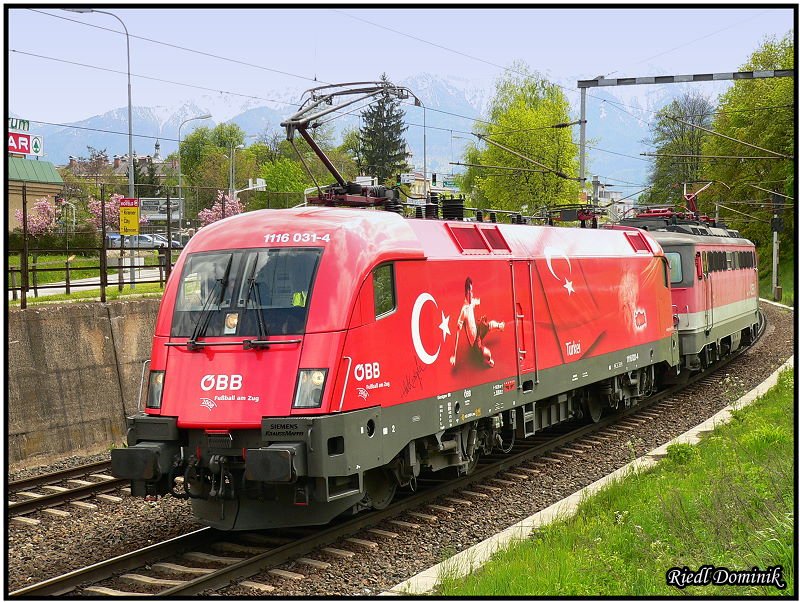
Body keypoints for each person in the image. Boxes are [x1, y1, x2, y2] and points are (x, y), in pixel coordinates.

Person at [450, 277, 504, 367]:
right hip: (475, 340)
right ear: (466, 293)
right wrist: (454, 355)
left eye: (472, 291)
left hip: (478, 328)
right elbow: (457, 333)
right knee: (487, 353)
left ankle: (500, 326)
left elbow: (480, 301)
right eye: (470, 292)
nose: (471, 294)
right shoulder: (464, 310)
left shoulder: (472, 302)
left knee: (490, 324)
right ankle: (488, 361)